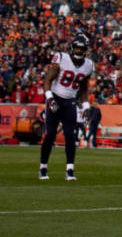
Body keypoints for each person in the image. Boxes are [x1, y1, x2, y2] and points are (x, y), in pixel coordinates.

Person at [38, 30, 94, 182]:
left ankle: (70, 170)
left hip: (70, 102)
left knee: (70, 135)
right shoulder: (62, 58)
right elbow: (48, 80)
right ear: (72, 47)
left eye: (81, 49)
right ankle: (43, 167)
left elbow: (83, 89)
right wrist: (49, 99)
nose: (79, 51)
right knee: (50, 134)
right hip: (55, 98)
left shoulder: (88, 65)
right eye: (77, 48)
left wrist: (86, 107)